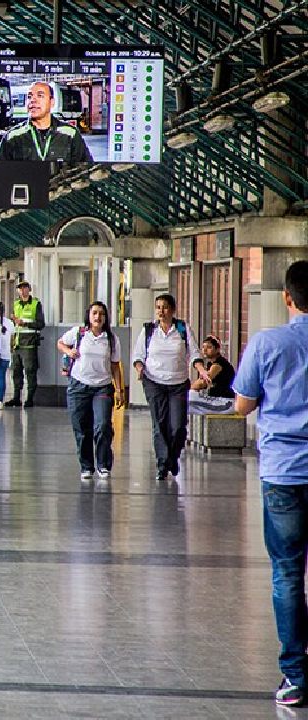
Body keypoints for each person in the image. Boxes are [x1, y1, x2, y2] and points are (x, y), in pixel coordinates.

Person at [231, 260, 308, 707]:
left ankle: (296, 676)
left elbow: (243, 404)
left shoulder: (267, 342)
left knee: (287, 572)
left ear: (286, 297)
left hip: (282, 472)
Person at [131, 293, 205, 481]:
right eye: (158, 307)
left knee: (178, 426)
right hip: (154, 382)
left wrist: (201, 370)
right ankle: (162, 464)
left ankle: (172, 457)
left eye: (164, 307)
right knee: (160, 423)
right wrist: (139, 369)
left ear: (172, 310)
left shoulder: (182, 329)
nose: (161, 311)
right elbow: (138, 355)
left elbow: (194, 352)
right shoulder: (149, 330)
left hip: (178, 383)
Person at [57, 301, 128, 481]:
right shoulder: (79, 333)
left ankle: (103, 464)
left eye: (101, 314)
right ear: (89, 316)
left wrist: (120, 389)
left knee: (103, 425)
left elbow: (115, 366)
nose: (98, 317)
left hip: (102, 388)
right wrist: (69, 351)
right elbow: (60, 343)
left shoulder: (111, 339)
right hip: (78, 387)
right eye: (94, 313)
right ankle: (86, 466)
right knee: (81, 428)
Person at [0, 81, 94, 163]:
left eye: (40, 96)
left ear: (52, 102)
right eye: (29, 96)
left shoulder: (70, 134)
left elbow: (87, 169)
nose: (32, 100)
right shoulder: (13, 136)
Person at [5, 281, 46, 407]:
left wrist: (24, 323)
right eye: (20, 288)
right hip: (17, 344)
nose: (22, 291)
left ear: (29, 289)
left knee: (30, 371)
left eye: (25, 288)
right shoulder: (16, 304)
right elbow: (15, 325)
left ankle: (29, 399)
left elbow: (40, 324)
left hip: (29, 345)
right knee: (16, 372)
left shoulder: (35, 304)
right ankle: (16, 397)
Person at [188, 335, 236, 415]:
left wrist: (183, 389)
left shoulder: (219, 364)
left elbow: (202, 383)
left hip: (225, 402)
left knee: (187, 397)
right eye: (203, 347)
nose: (205, 350)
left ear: (217, 349)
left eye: (209, 347)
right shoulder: (211, 363)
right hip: (217, 400)